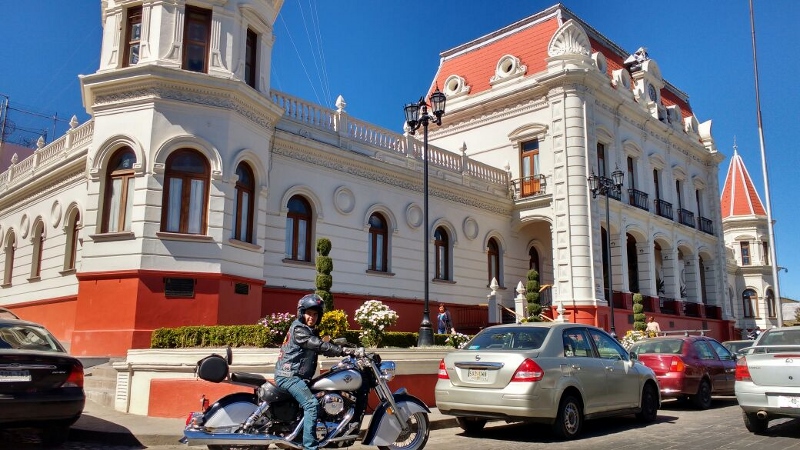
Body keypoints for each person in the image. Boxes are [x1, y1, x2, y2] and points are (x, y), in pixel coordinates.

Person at [272, 293, 354, 450]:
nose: (312, 317)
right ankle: (310, 446)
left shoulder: (306, 330)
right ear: (302, 313)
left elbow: (322, 346)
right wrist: (342, 351)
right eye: (309, 313)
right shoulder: (299, 329)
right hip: (289, 376)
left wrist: (341, 348)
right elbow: (318, 345)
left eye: (316, 314)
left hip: (295, 376)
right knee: (311, 404)